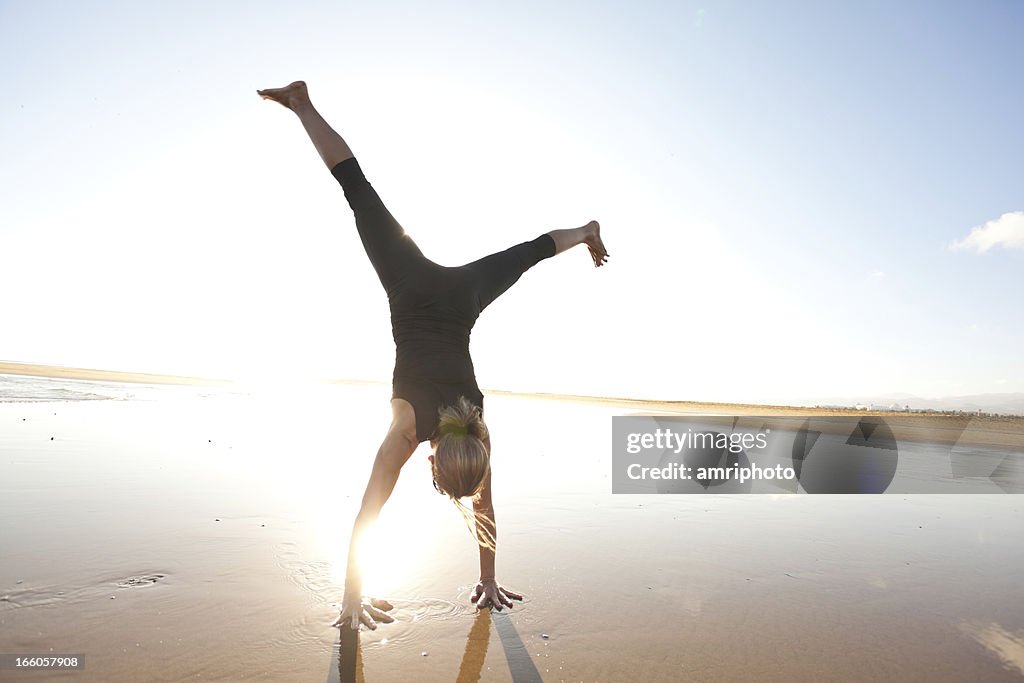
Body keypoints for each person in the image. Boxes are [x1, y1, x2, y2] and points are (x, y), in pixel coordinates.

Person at [257, 81, 609, 630]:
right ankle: (302, 103)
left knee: (525, 251)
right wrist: (352, 595)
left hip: (461, 296)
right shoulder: (406, 432)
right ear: (431, 461)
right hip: (413, 288)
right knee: (362, 195)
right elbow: (370, 513)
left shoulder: (477, 433)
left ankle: (585, 231)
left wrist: (486, 578)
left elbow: (481, 509)